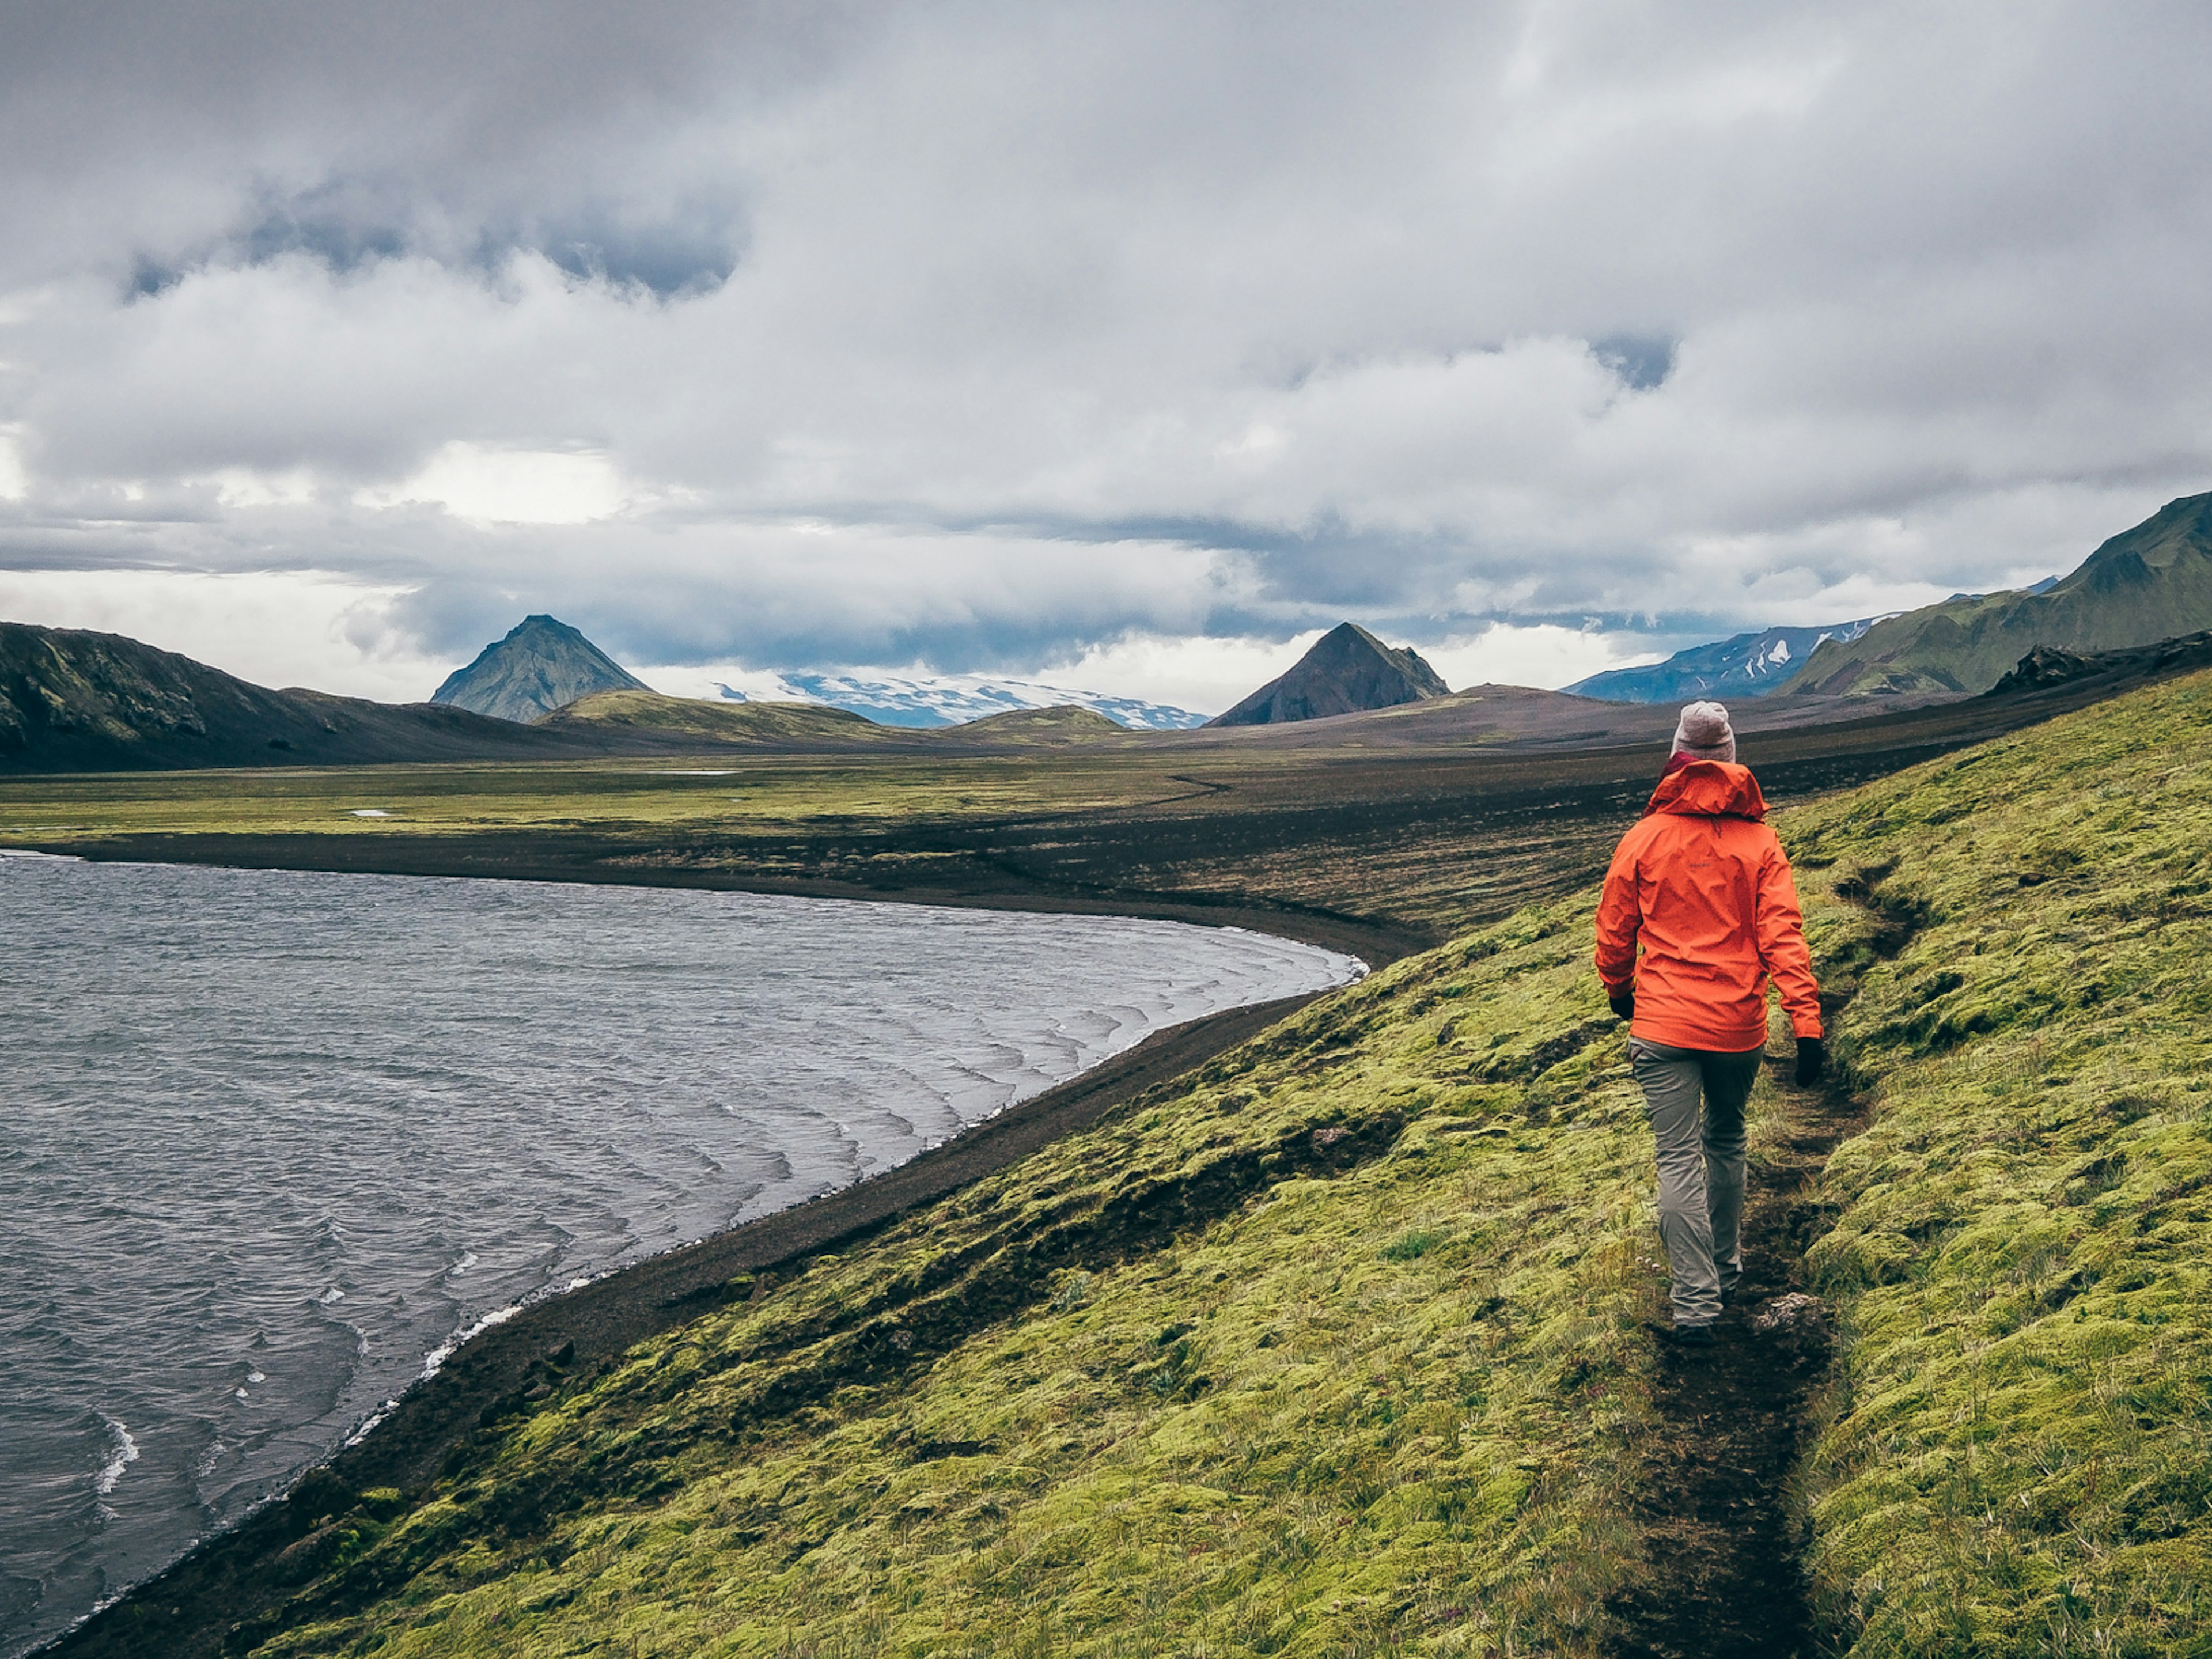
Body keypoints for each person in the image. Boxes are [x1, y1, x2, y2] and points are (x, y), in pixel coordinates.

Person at [1593, 701, 1824, 1345]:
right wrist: (1805, 1022)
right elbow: (1784, 937)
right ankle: (1724, 1273)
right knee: (1726, 1140)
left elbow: (1615, 930)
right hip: (1737, 1027)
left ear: (1677, 758)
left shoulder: (1644, 838)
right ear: (1730, 757)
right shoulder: (1761, 842)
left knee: (1676, 1157)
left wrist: (1619, 990)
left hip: (1662, 1023)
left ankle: (1695, 1306)